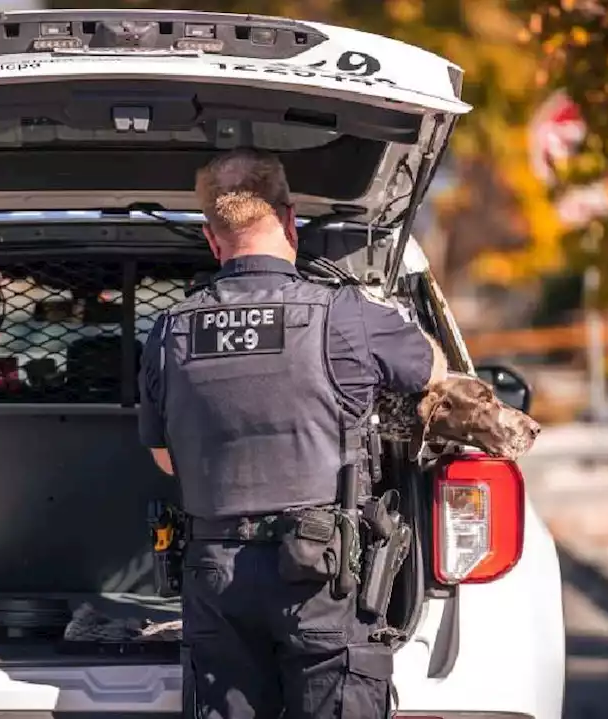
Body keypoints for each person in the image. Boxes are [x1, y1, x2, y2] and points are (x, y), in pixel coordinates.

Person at [137, 148, 448, 718]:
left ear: (213, 239)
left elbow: (165, 458)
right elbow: (434, 372)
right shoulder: (346, 315)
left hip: (214, 574)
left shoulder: (167, 332)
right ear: (290, 220)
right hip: (320, 575)